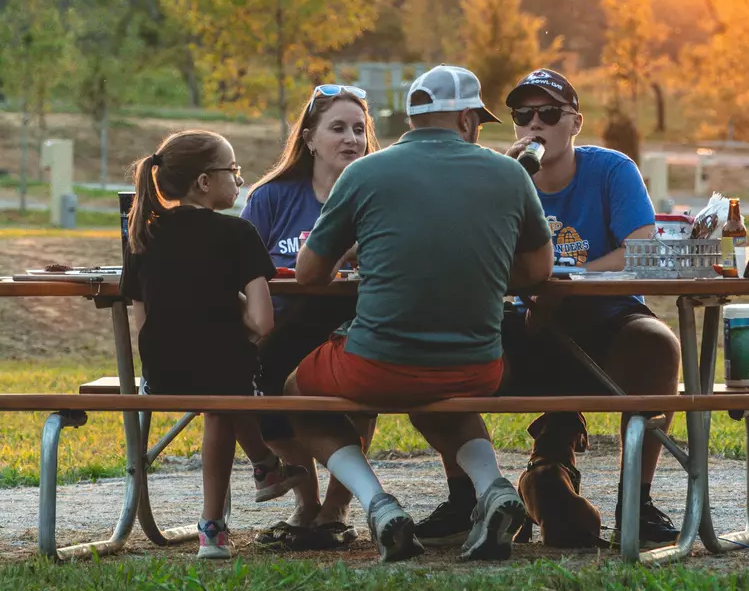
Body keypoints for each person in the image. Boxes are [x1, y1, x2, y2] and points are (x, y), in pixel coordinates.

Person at [284, 65, 555, 563]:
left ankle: (377, 504)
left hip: (377, 364)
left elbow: (307, 275)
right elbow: (540, 269)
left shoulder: (364, 172)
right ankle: (492, 485)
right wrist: (485, 272)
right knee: (438, 391)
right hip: (478, 364)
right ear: (470, 120)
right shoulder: (510, 172)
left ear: (411, 117)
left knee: (296, 394)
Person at [414, 68, 680, 551]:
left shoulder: (610, 169)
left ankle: (635, 505)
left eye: (550, 113)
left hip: (604, 316)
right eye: (523, 115)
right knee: (432, 356)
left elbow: (641, 247)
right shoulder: (499, 174)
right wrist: (502, 185)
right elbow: (469, 252)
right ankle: (469, 498)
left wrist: (570, 283)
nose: (535, 124)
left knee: (659, 347)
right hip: (519, 316)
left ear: (575, 122)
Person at [122, 130, 305, 560]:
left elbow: (144, 322)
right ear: (205, 182)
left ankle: (264, 469)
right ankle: (214, 528)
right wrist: (235, 315)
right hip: (224, 374)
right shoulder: (237, 233)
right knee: (224, 388)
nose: (240, 181)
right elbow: (263, 322)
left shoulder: (142, 236)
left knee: (221, 380)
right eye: (234, 171)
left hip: (160, 374)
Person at [241, 85, 379, 550]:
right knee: (262, 388)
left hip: (350, 338)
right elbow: (239, 271)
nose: (352, 139)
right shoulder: (270, 198)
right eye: (337, 128)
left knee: (354, 379)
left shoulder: (378, 196)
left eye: (359, 130)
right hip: (272, 338)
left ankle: (336, 507)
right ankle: (306, 500)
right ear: (309, 139)